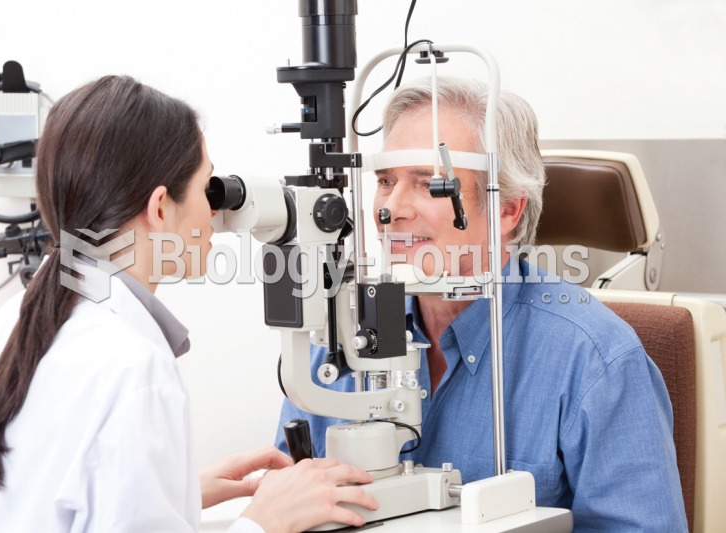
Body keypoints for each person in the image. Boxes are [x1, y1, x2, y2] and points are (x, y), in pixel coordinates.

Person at [0, 75, 378, 532]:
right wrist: (262, 523)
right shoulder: (132, 369)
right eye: (208, 190)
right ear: (160, 207)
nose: (215, 215)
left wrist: (174, 492)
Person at [275, 76, 688, 531]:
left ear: (507, 209)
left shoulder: (593, 358)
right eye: (385, 180)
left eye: (428, 183)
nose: (391, 208)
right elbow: (290, 497)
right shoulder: (339, 341)